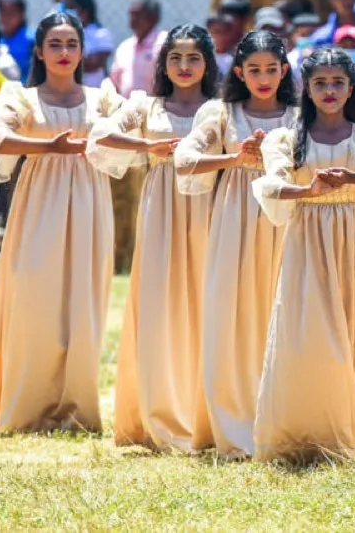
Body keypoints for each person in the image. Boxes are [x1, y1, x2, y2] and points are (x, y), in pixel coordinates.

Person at [249, 47, 355, 462]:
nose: (329, 90)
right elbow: (269, 186)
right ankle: (315, 429)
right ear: (307, 89)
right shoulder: (287, 139)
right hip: (309, 241)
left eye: (337, 83)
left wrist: (352, 177)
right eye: (320, 83)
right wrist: (308, 191)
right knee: (313, 330)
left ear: (351, 87)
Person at [0, 12, 121, 433]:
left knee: (82, 301)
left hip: (89, 205)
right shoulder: (22, 98)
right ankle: (27, 406)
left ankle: (76, 408)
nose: (64, 52)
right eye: (55, 44)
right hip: (39, 205)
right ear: (39, 50)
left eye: (71, 44)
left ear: (82, 50)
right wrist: (45, 146)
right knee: (35, 300)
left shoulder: (103, 99)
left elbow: (132, 133)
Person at [92, 24, 219, 453]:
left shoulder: (219, 109)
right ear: (163, 64)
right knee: (160, 303)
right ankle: (159, 408)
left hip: (208, 207)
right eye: (175, 58)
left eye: (194, 58)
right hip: (163, 207)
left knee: (207, 301)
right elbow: (101, 137)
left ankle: (205, 408)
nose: (184, 67)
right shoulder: (148, 107)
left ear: (208, 63)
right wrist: (150, 148)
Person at [173, 30, 298, 458]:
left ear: (284, 71)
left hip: (287, 218)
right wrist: (235, 159)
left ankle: (282, 415)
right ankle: (234, 420)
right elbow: (185, 160)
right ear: (239, 72)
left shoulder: (300, 116)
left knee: (281, 309)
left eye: (271, 69)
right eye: (253, 70)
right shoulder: (221, 113)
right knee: (234, 313)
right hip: (235, 218)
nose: (263, 78)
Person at [110, 0, 166, 97]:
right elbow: (114, 83)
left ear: (154, 17)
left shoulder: (164, 43)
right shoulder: (124, 47)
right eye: (132, 14)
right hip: (126, 109)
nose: (134, 18)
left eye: (139, 14)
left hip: (157, 108)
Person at [0, 0, 35, 75]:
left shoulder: (31, 40)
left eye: (11, 12)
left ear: (22, 14)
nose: (7, 17)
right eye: (3, 12)